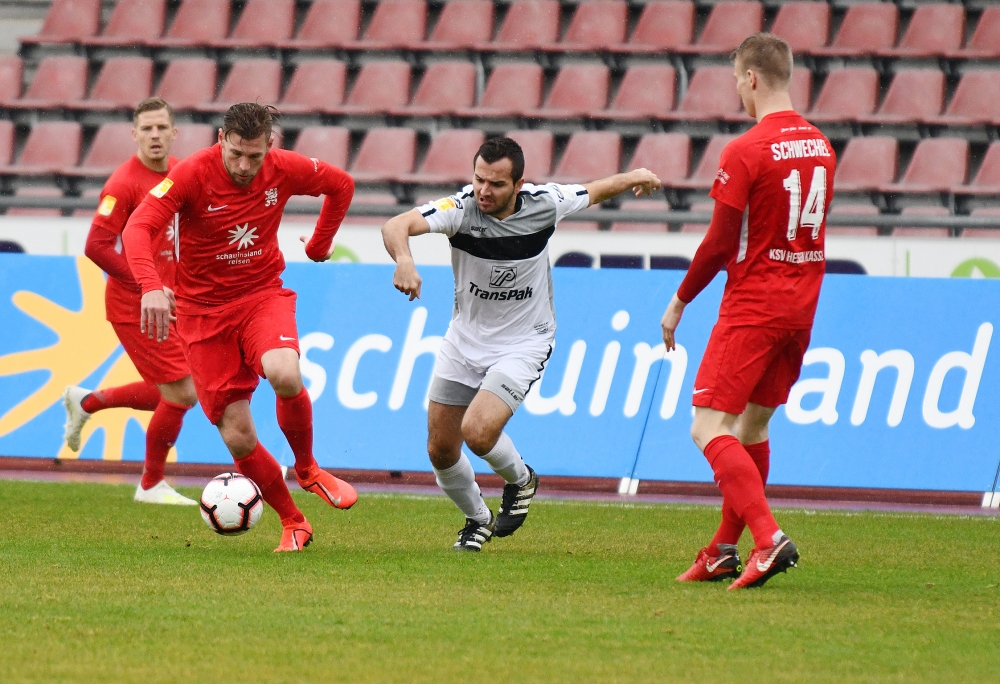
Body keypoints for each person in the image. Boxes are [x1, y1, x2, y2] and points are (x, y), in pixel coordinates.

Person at [382, 137, 661, 551]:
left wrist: (635, 175)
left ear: (519, 185)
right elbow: (395, 226)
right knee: (440, 449)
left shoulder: (545, 204)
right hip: (464, 341)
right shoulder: (460, 209)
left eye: (496, 184)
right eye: (478, 179)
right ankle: (477, 520)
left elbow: (594, 190)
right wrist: (405, 260)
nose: (483, 191)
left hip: (524, 342)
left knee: (478, 432)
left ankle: (522, 480)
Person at [123, 103, 358, 552]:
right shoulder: (192, 174)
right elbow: (138, 227)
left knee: (285, 372)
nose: (245, 166)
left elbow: (341, 185)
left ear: (270, 144)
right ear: (220, 139)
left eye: (255, 155)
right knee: (237, 433)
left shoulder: (283, 168)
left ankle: (308, 468)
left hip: (260, 295)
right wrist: (150, 285)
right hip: (201, 314)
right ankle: (293, 521)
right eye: (236, 154)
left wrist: (319, 244)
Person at [661, 33, 836, 589]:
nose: (738, 88)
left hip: (754, 306)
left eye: (738, 78)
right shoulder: (821, 146)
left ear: (752, 78)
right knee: (752, 427)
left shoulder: (746, 150)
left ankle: (768, 538)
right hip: (801, 305)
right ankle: (721, 550)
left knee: (707, 427)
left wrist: (679, 300)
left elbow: (719, 243)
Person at [64, 97, 199, 506]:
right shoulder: (123, 183)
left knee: (175, 391)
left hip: (173, 300)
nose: (155, 135)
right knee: (184, 392)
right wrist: (146, 285)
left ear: (174, 133)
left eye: (162, 128)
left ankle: (88, 401)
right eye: (147, 129)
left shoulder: (181, 172)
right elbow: (97, 245)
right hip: (135, 305)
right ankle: (151, 484)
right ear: (134, 134)